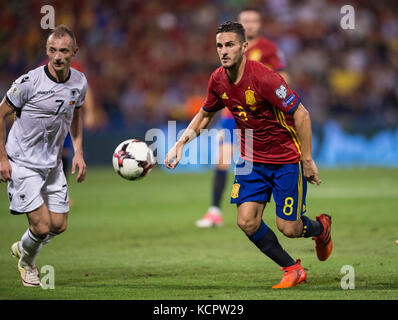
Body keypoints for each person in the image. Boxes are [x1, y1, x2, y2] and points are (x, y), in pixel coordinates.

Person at [165, 22, 333, 288]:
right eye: (219, 45)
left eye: (230, 45)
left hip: (285, 160)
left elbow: (301, 113)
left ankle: (321, 229)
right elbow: (206, 114)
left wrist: (308, 159)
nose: (224, 51)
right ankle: (292, 268)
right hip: (251, 160)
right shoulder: (218, 79)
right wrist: (181, 143)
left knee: (289, 228)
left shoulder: (265, 78)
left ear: (244, 47)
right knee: (247, 222)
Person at [0, 25, 87, 287]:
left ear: (74, 51)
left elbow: (76, 115)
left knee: (58, 225)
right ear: (46, 51)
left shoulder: (79, 82)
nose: (58, 56)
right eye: (52, 50)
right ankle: (27, 263)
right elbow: (0, 113)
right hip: (22, 162)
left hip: (52, 164)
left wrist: (79, 153)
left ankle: (24, 245)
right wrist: (2, 158)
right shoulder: (29, 83)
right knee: (41, 227)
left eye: (63, 51)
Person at [196, 7, 288, 228]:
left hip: (260, 117)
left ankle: (273, 209)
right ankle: (215, 211)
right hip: (232, 114)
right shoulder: (230, 47)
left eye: (254, 21)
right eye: (245, 20)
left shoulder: (268, 49)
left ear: (259, 25)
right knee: (223, 157)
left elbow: (283, 77)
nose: (250, 24)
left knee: (264, 160)